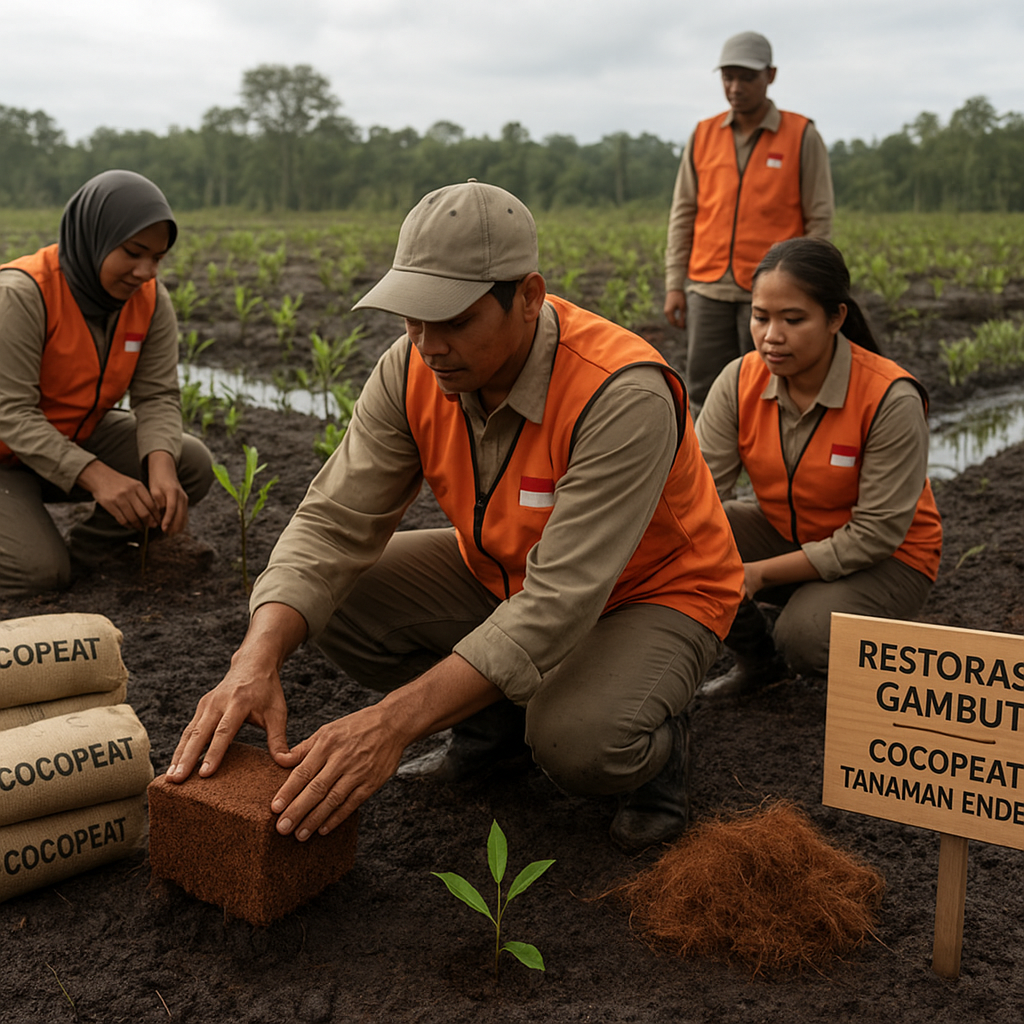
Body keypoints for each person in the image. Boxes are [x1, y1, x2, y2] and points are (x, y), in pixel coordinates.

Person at [169, 180, 744, 851]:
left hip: (652, 593)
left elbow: (560, 601)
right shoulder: (412, 368)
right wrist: (253, 658)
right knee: (331, 598)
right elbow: (331, 524)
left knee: (576, 741)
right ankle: (491, 733)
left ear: (528, 298)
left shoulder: (620, 392)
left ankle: (658, 747)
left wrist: (392, 723)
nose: (427, 343)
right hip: (505, 572)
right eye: (412, 317)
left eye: (453, 319)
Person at [695, 237, 942, 699]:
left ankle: (870, 635)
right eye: (760, 316)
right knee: (692, 537)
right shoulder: (739, 381)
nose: (771, 335)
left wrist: (761, 573)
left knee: (805, 638)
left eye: (793, 319)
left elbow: (875, 534)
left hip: (890, 559)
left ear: (835, 319)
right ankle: (759, 663)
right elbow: (696, 488)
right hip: (794, 533)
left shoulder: (889, 397)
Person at [0, 169, 214, 595]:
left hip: (70, 437)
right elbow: (10, 413)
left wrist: (162, 469)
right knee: (36, 575)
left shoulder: (149, 302)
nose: (146, 271)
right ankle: (41, 558)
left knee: (188, 460)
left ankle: (87, 555)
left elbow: (157, 395)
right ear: (93, 237)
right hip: (5, 457)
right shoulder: (22, 295)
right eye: (134, 252)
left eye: (157, 257)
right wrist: (97, 476)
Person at [663, 30, 834, 415]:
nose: (735, 87)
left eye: (746, 77)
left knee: (773, 388)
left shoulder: (801, 135)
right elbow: (683, 213)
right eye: (728, 77)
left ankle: (770, 471)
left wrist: (813, 288)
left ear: (770, 76)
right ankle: (707, 474)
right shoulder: (703, 135)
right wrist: (675, 283)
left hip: (775, 291)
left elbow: (819, 219)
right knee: (705, 389)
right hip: (707, 289)